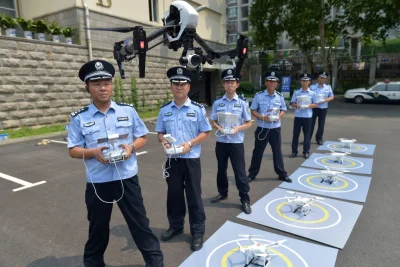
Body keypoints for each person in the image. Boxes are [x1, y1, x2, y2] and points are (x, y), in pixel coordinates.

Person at [67, 60, 164, 267]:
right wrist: (92, 152)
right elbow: (73, 150)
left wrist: (132, 147)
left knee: (140, 224)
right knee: (98, 228)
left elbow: (142, 137)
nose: (103, 87)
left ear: (111, 85)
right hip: (98, 181)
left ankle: (155, 263)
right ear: (88, 87)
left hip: (126, 178)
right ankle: (94, 263)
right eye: (96, 84)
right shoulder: (79, 118)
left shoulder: (127, 111)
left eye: (107, 82)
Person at [155, 66, 211, 251]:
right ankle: (176, 226)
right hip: (173, 160)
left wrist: (190, 144)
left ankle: (197, 232)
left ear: (189, 86)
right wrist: (163, 141)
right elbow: (160, 133)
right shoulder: (165, 110)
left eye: (183, 83)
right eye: (175, 83)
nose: (179, 87)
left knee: (194, 196)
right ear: (171, 86)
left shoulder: (197, 109)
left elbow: (206, 132)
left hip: (191, 158)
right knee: (174, 195)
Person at [209, 68, 253, 214]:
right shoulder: (217, 103)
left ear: (237, 84)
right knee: (221, 169)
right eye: (226, 82)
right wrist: (218, 127)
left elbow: (249, 123)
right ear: (223, 84)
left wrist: (238, 128)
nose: (229, 85)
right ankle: (223, 192)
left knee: (239, 172)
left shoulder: (242, 103)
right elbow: (212, 121)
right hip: (221, 142)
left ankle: (245, 199)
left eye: (232, 82)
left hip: (235, 143)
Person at [247, 71, 292, 183]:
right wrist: (262, 117)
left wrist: (279, 116)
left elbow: (283, 110)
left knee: (277, 151)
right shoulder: (259, 96)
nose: (272, 83)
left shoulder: (279, 97)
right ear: (266, 82)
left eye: (274, 81)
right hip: (262, 128)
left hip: (275, 128)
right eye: (270, 81)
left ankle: (282, 173)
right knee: (258, 151)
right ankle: (252, 174)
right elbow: (253, 110)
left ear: (277, 83)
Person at [289, 73, 318, 159]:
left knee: (307, 135)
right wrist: (296, 105)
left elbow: (316, 104)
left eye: (306, 80)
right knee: (295, 135)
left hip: (308, 116)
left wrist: (308, 106)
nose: (305, 82)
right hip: (298, 116)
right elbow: (292, 103)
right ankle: (294, 151)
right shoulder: (296, 92)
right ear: (301, 81)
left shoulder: (313, 93)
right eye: (303, 80)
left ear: (309, 82)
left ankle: (306, 152)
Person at [310, 71, 335, 145]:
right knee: (310, 124)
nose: (323, 79)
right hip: (314, 107)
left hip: (323, 108)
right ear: (318, 78)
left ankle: (319, 138)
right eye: (321, 78)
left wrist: (326, 100)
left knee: (321, 124)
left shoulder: (328, 87)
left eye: (324, 78)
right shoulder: (312, 87)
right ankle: (307, 138)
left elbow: (332, 96)